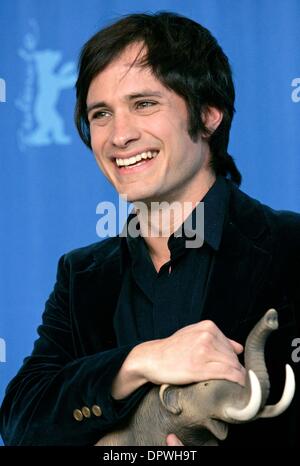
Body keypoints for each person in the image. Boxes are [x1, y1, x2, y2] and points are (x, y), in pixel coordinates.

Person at [0, 11, 299, 447]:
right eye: (101, 113)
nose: (119, 135)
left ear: (209, 112)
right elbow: (23, 421)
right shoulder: (82, 275)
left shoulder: (291, 247)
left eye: (144, 104)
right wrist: (141, 361)